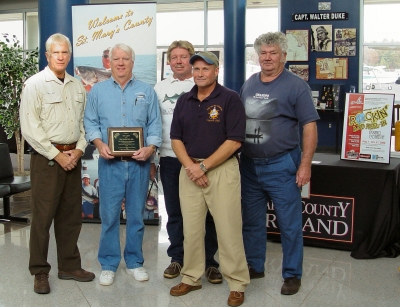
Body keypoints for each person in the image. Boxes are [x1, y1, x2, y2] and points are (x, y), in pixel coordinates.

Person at [239, 32, 319, 295]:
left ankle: (292, 274)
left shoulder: (297, 86)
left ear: (284, 56)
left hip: (283, 165)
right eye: (263, 52)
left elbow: (309, 126)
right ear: (258, 55)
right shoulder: (249, 83)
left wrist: (305, 164)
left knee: (289, 224)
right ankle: (254, 266)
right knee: (251, 222)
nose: (268, 57)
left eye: (273, 52)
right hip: (250, 166)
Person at [169, 51, 250, 307]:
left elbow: (235, 140)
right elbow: (175, 139)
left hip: (221, 170)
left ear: (216, 70)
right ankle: (191, 277)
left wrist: (203, 166)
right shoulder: (184, 100)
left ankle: (237, 283)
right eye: (196, 69)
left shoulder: (230, 99)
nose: (200, 74)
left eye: (206, 69)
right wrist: (192, 167)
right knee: (191, 229)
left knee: (228, 229)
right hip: (189, 169)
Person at [19, 33, 95, 295]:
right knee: (42, 219)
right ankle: (40, 271)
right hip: (48, 161)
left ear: (69, 55)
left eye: (65, 53)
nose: (61, 57)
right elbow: (30, 127)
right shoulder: (35, 84)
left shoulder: (77, 86)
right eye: (56, 53)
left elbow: (84, 124)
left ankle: (69, 266)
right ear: (47, 55)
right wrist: (56, 154)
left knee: (70, 217)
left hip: (72, 158)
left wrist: (79, 149)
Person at [84, 43, 162, 286]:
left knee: (137, 216)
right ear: (109, 62)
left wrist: (150, 148)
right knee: (109, 215)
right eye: (115, 59)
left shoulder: (147, 91)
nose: (120, 63)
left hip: (139, 165)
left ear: (132, 62)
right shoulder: (97, 92)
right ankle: (108, 263)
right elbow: (90, 122)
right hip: (110, 165)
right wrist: (99, 143)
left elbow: (155, 125)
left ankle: (134, 262)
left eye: (125, 59)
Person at [153, 40, 222, 283]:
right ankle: (178, 258)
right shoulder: (159, 89)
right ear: (169, 61)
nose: (179, 61)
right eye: (175, 57)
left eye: (184, 57)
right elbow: (153, 125)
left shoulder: (204, 85)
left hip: (204, 162)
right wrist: (153, 158)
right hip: (171, 160)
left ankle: (211, 262)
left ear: (193, 61)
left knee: (209, 214)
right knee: (175, 212)